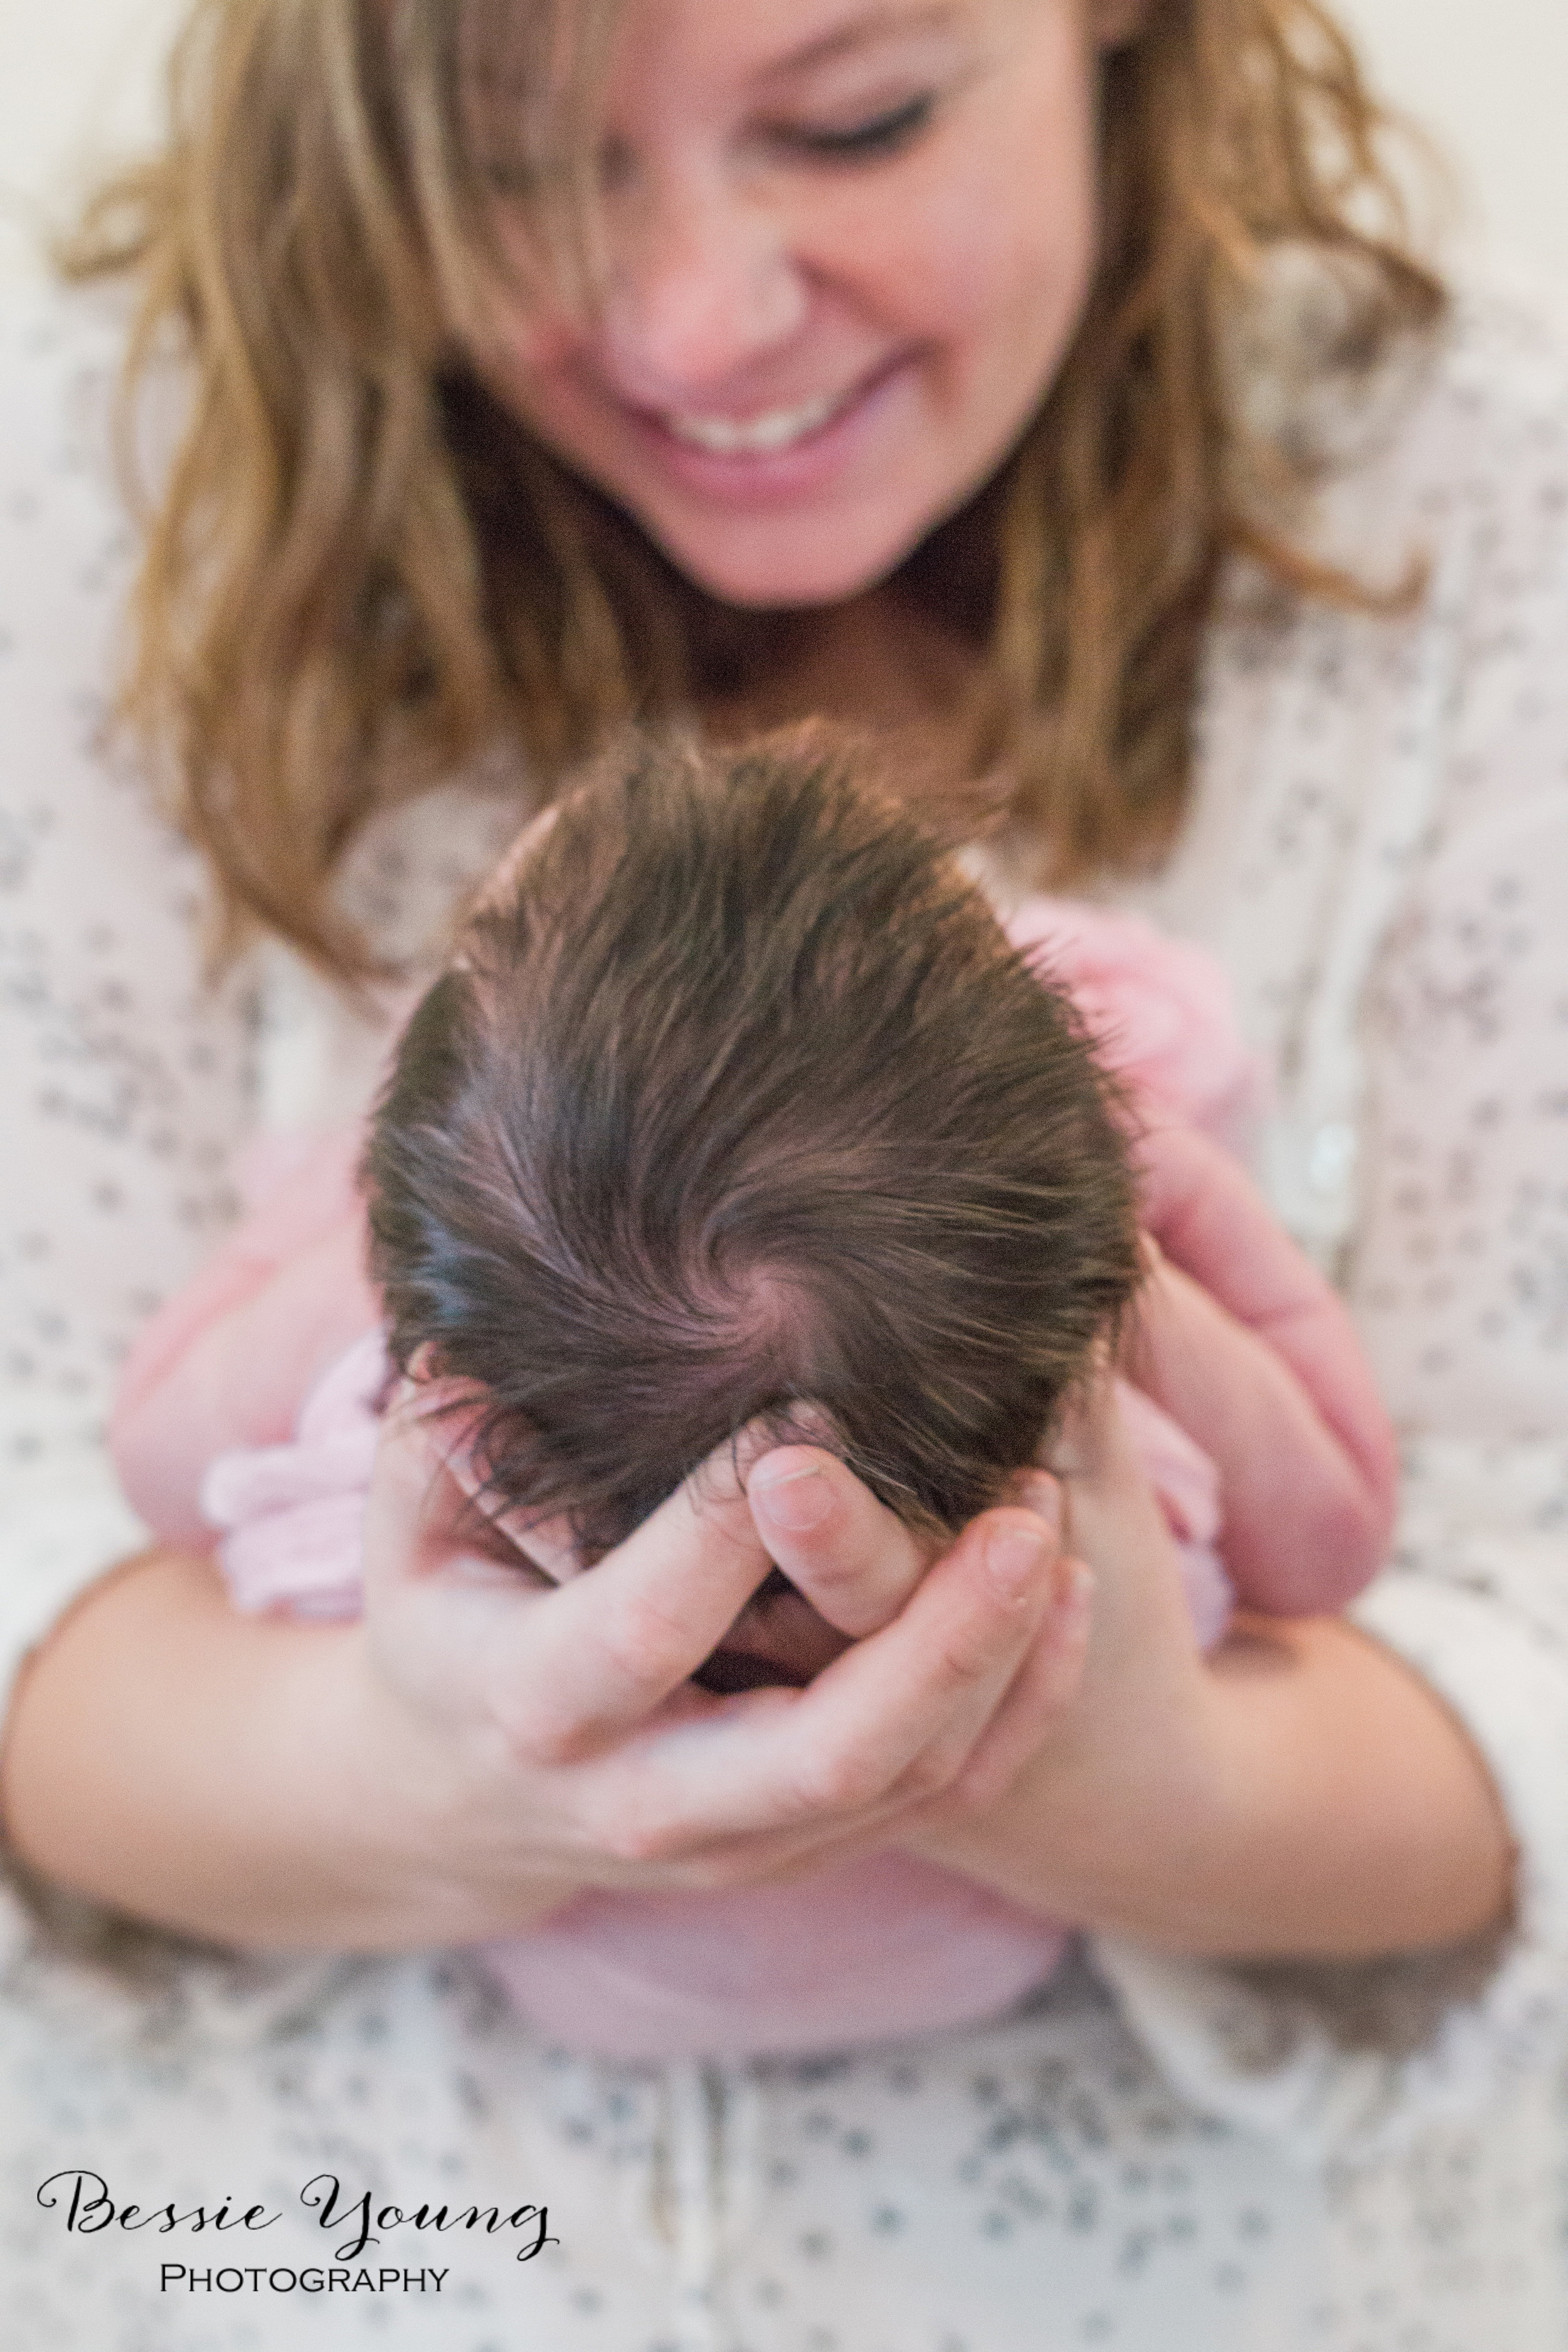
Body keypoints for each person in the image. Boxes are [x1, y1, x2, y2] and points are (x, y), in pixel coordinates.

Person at [0, 0, 1564, 2342]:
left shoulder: (1475, 538)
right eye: (519, 163)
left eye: (857, 117)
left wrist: (1127, 1786)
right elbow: (1343, 1524)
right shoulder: (102, 500)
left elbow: (139, 1449)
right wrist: (443, 1781)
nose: (695, 316)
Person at [107, 729, 1395, 2058]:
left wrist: (358, 1225)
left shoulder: (374, 1496)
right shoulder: (1124, 1514)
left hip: (559, 1986)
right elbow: (1332, 1540)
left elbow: (150, 1459)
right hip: (1003, 1964)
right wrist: (1170, 1250)